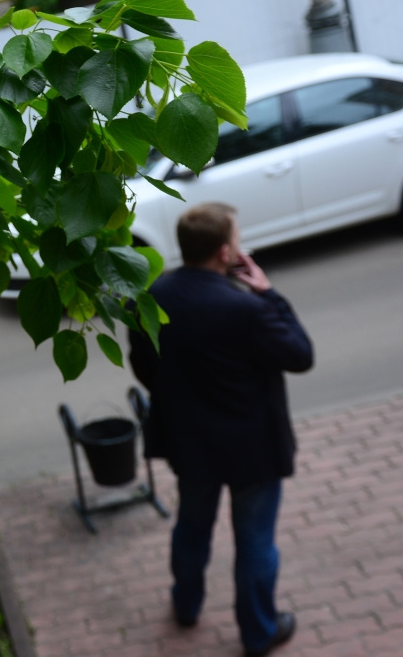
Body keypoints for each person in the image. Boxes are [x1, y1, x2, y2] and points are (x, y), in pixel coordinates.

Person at [129, 202, 313, 657]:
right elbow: (299, 355)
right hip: (253, 448)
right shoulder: (247, 308)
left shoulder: (152, 298)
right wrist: (268, 292)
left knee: (192, 528)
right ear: (226, 252)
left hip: (191, 444)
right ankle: (258, 633)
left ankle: (186, 605)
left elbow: (144, 364)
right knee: (255, 540)